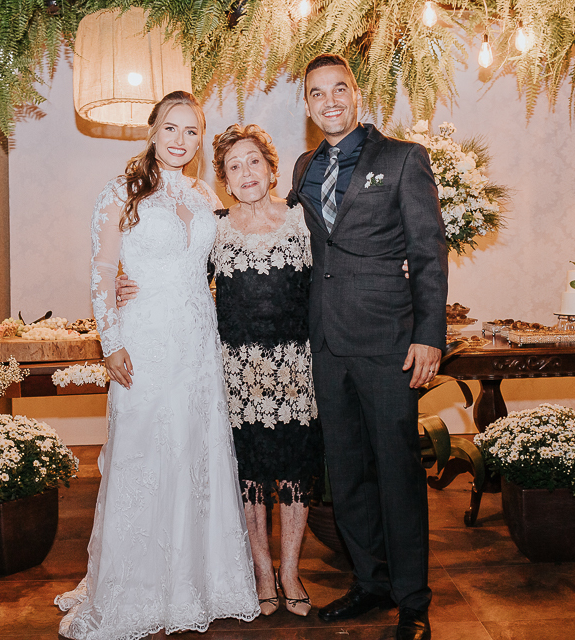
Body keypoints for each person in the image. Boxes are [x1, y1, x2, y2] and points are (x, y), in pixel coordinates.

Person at [55, 91, 260, 640]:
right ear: (152, 130)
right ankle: (136, 588)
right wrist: (111, 341)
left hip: (198, 343)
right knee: (143, 453)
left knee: (196, 453)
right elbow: (102, 271)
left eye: (192, 131)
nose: (180, 140)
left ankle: (197, 583)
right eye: (171, 127)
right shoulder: (119, 192)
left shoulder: (204, 194)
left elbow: (219, 264)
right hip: (143, 341)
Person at [120, 124, 323, 617]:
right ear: (225, 181)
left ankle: (290, 572)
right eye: (234, 166)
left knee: (295, 474)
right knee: (248, 477)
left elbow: (338, 276)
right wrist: (128, 282)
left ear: (271, 170)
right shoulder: (215, 228)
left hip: (296, 370)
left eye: (254, 161)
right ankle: (262, 575)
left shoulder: (303, 220)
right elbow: (177, 276)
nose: (246, 172)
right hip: (236, 373)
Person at [286, 54, 448, 640]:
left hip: (388, 341)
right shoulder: (305, 167)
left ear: (356, 95)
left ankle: (412, 600)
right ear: (308, 105)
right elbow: (286, 237)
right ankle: (370, 582)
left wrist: (429, 333)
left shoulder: (403, 158)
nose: (329, 101)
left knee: (397, 471)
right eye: (317, 92)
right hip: (326, 341)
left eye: (339, 89)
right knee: (346, 471)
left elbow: (428, 250)